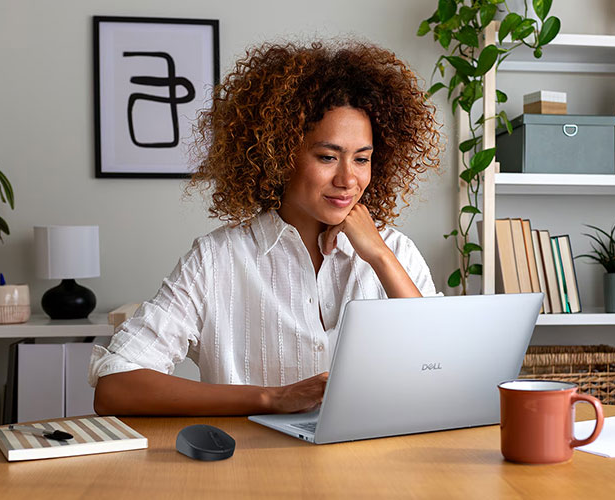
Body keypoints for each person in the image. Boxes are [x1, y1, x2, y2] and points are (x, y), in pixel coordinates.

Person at [89, 39, 442, 416]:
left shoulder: (394, 251)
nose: (348, 179)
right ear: (278, 152)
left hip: (376, 468)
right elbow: (116, 385)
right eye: (327, 157)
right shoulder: (218, 259)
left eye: (361, 159)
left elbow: (443, 372)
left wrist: (379, 257)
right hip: (253, 468)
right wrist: (271, 398)